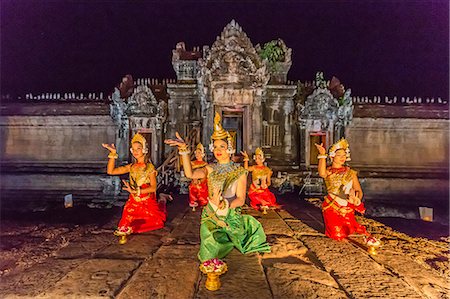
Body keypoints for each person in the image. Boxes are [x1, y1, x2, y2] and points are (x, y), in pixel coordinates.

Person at [165, 112, 270, 262]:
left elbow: (240, 199)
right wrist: (184, 150)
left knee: (236, 241)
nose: (218, 150)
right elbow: (189, 174)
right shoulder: (209, 168)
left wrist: (225, 205)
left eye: (222, 146)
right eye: (215, 147)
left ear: (230, 148)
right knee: (209, 250)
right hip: (210, 215)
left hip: (230, 214)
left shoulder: (239, 171)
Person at [102, 133, 167, 244]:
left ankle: (162, 199)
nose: (136, 151)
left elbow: (153, 188)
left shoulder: (149, 167)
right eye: (134, 149)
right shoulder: (131, 167)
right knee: (125, 224)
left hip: (146, 200)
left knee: (158, 222)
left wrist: (136, 191)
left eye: (139, 148)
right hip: (133, 201)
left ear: (144, 150)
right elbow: (110, 171)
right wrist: (113, 154)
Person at [315, 139, 379, 246]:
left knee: (350, 230)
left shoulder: (350, 173)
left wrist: (356, 199)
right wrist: (322, 154)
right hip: (332, 207)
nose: (342, 158)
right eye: (339, 155)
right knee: (337, 235)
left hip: (347, 208)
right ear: (332, 156)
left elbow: (358, 190)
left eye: (344, 155)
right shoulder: (329, 171)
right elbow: (321, 173)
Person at [241, 148, 279, 213]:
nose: (257, 160)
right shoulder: (254, 167)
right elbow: (246, 169)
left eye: (259, 158)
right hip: (254, 190)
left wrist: (266, 185)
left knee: (268, 199)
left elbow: (269, 182)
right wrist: (246, 158)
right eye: (256, 158)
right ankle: (262, 205)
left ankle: (263, 205)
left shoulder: (267, 170)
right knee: (257, 198)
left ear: (263, 159)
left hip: (263, 190)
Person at [188, 143, 209, 211]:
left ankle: (203, 202)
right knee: (192, 187)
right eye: (196, 153)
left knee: (202, 188)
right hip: (194, 180)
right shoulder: (192, 163)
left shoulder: (205, 163)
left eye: (199, 153)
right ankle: (194, 202)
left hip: (202, 181)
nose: (197, 155)